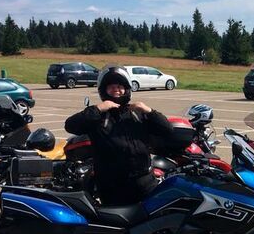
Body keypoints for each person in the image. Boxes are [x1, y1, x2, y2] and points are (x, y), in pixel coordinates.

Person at [65, 65, 173, 208]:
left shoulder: (137, 114)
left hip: (145, 183)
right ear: (104, 90)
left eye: (120, 86)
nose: (116, 89)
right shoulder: (97, 117)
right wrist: (98, 108)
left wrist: (149, 111)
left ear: (127, 89)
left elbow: (167, 129)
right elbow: (71, 125)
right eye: (111, 87)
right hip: (113, 188)